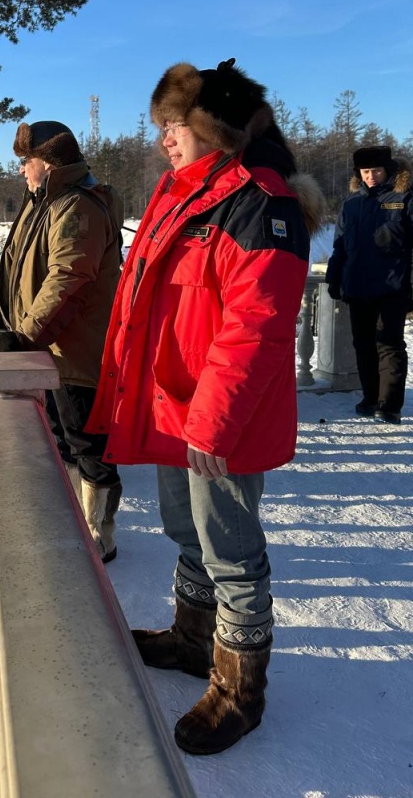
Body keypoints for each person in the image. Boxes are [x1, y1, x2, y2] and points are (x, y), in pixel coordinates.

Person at [86, 59, 325, 755]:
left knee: (232, 550)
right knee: (183, 529)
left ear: (214, 127)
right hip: (171, 404)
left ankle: (240, 690)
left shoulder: (262, 203)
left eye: (174, 123)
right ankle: (194, 640)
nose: (163, 137)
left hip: (219, 417)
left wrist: (213, 420)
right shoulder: (178, 192)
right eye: (160, 124)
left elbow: (256, 325)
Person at [0, 120, 125, 561]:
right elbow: (28, 264)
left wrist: (25, 333)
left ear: (45, 162)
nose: (23, 171)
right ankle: (77, 524)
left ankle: (100, 535)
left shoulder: (76, 206)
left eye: (26, 162)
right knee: (66, 440)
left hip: (77, 351)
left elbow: (68, 279)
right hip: (56, 347)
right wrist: (11, 314)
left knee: (88, 444)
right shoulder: (48, 200)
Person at [325, 145, 413, 424]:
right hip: (357, 287)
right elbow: (339, 246)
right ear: (358, 174)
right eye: (365, 171)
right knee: (363, 345)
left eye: (376, 170)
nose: (371, 176)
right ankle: (370, 397)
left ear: (387, 170)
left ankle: (389, 405)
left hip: (393, 286)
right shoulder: (351, 204)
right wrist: (334, 278)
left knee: (389, 344)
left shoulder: (404, 198)